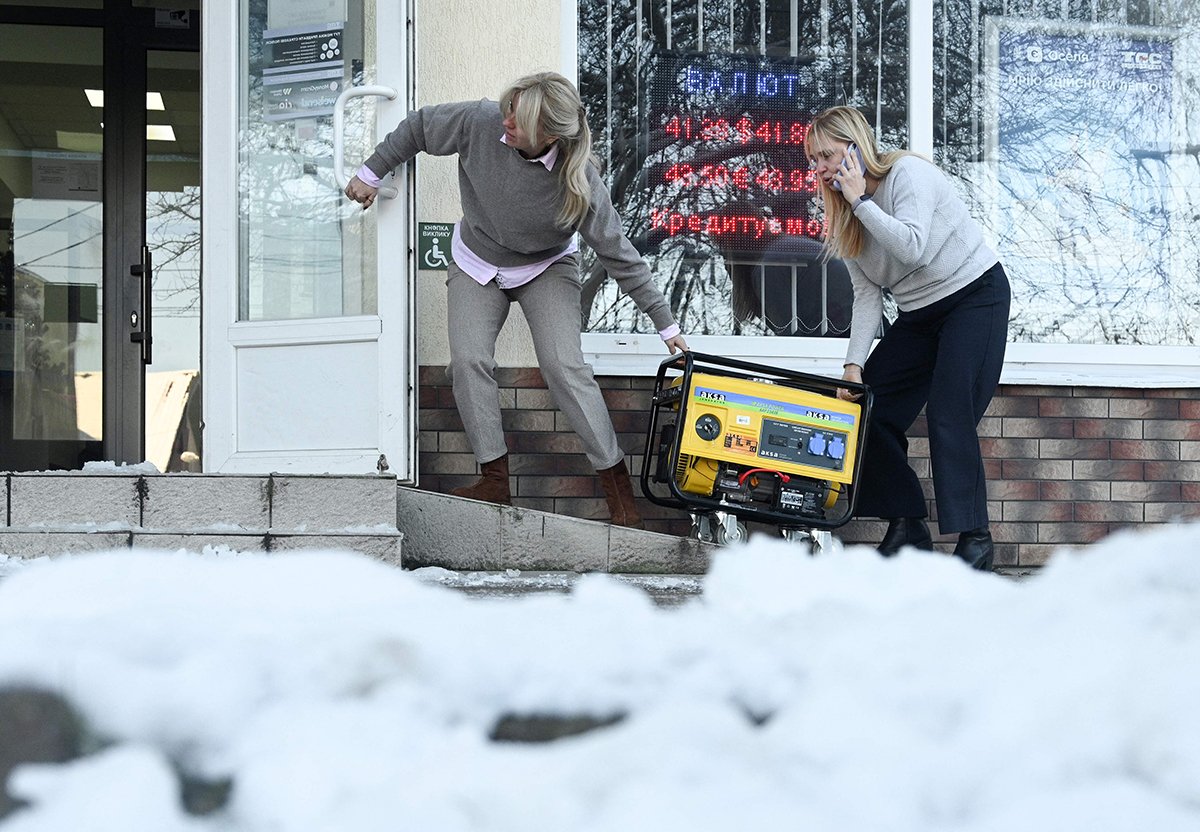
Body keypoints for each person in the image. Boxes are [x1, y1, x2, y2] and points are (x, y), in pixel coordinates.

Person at [343, 71, 688, 529]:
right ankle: (495, 479)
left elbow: (617, 252)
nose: (506, 120)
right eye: (509, 108)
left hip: (547, 266)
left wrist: (666, 324)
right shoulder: (480, 121)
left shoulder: (579, 180)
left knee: (564, 366)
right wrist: (371, 171)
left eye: (519, 119)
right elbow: (420, 127)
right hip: (476, 259)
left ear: (550, 134)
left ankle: (619, 494)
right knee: (468, 361)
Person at [804, 106, 1010, 570]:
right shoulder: (843, 213)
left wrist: (861, 202)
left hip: (974, 296)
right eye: (814, 160)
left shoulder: (907, 175)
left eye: (827, 155)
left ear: (855, 148)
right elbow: (866, 293)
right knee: (868, 407)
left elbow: (912, 247)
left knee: (949, 410)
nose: (820, 168)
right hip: (919, 314)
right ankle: (907, 527)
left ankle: (975, 540)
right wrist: (853, 366)